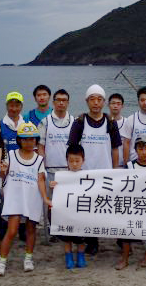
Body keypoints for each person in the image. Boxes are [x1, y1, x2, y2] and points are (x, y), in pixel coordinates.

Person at [67, 84, 122, 255]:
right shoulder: (79, 123)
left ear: (104, 102)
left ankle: (113, 237)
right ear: (86, 101)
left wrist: (114, 170)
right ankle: (92, 241)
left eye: (99, 99)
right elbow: (72, 149)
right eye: (92, 99)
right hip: (84, 173)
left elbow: (115, 149)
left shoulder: (111, 124)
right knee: (87, 208)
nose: (96, 103)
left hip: (105, 174)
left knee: (103, 207)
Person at [0, 122, 50, 276]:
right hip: (15, 198)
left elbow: (40, 180)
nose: (28, 142)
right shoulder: (11, 155)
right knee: (12, 230)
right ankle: (2, 261)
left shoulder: (39, 160)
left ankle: (28, 258)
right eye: (25, 139)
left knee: (31, 230)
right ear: (19, 140)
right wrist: (2, 171)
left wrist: (45, 198)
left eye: (32, 139)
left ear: (36, 140)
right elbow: (2, 177)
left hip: (32, 198)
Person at [37, 88, 74, 243]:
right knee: (50, 203)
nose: (61, 103)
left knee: (68, 202)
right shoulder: (45, 122)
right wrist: (41, 168)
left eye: (64, 100)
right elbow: (40, 147)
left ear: (68, 102)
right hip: (50, 169)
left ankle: (68, 229)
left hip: (69, 171)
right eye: (58, 100)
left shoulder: (73, 121)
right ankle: (51, 230)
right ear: (53, 102)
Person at [117, 136, 146, 270]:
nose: (144, 152)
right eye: (140, 149)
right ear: (136, 150)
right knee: (126, 232)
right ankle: (125, 258)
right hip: (131, 205)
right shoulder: (129, 166)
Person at [49, 144, 88, 269]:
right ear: (67, 161)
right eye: (71, 161)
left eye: (77, 161)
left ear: (83, 160)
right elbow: (56, 196)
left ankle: (81, 256)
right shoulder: (61, 176)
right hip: (66, 214)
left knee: (81, 237)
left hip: (81, 213)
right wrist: (54, 186)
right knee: (67, 236)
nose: (75, 164)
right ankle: (68, 256)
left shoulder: (89, 177)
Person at [120, 86, 146, 163]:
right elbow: (126, 143)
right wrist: (126, 163)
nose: (145, 103)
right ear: (138, 101)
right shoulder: (131, 119)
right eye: (142, 100)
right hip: (135, 163)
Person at [108, 93, 127, 167]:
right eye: (113, 103)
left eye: (118, 104)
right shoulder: (104, 122)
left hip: (123, 165)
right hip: (107, 164)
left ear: (122, 106)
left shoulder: (127, 122)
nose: (115, 106)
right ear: (108, 105)